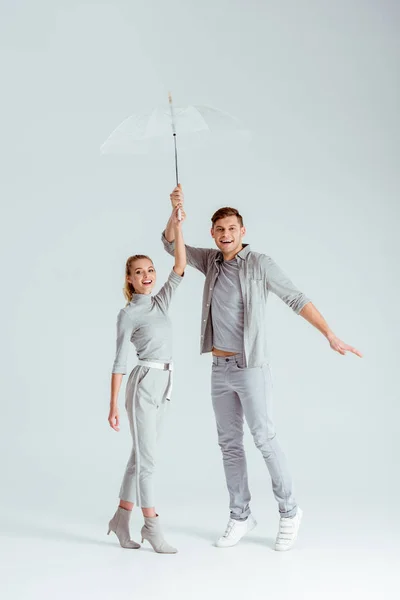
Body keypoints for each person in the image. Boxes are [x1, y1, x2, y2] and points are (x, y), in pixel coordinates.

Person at [162, 185, 362, 551]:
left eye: (232, 229)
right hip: (219, 367)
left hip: (250, 366)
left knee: (265, 440)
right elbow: (169, 245)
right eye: (220, 230)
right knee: (229, 445)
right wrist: (175, 215)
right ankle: (240, 515)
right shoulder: (209, 261)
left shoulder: (259, 264)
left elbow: (296, 298)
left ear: (243, 231)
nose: (226, 235)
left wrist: (330, 335)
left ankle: (289, 511)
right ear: (212, 234)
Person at [107, 203, 186, 554]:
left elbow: (180, 265)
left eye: (150, 270)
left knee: (140, 457)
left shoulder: (161, 303)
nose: (148, 275)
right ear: (129, 279)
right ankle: (151, 526)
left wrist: (176, 219)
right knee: (148, 461)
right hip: (141, 384)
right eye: (139, 272)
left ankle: (120, 519)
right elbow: (119, 361)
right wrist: (113, 405)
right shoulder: (128, 314)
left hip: (165, 383)